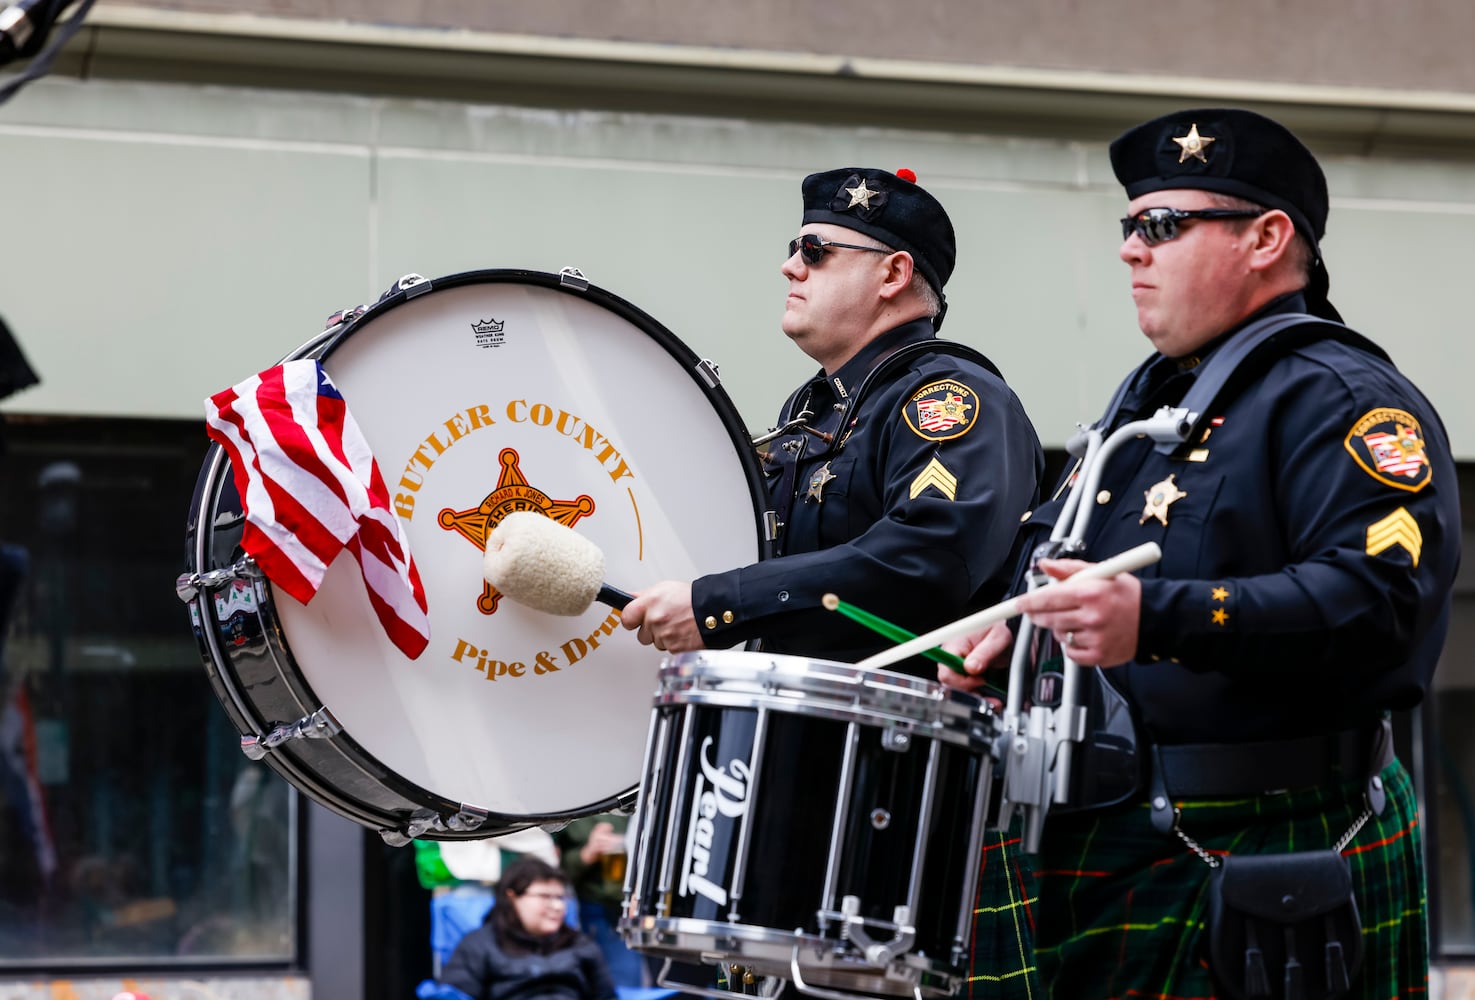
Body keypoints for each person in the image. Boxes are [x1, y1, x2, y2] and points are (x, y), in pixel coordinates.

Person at [941, 107, 1460, 999]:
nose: (1131, 251)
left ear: (1265, 238)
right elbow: (1057, 557)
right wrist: (1015, 637)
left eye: (1164, 226)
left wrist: (1152, 619)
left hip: (1267, 842)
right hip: (1109, 835)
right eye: (1129, 226)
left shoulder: (1342, 399)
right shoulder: (1150, 406)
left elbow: (1378, 600)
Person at [620, 166, 1045, 997]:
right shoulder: (812, 414)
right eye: (792, 249)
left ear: (892, 274)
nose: (791, 266)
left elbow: (927, 555)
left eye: (815, 250)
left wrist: (716, 603)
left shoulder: (948, 398)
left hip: (909, 810)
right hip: (793, 791)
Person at [435, 856, 617, 1000]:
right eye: (545, 896)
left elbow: (606, 996)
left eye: (561, 898)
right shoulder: (480, 945)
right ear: (512, 897)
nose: (558, 906)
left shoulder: (580, 944)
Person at [554, 814, 645, 989]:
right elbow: (554, 868)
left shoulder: (635, 793)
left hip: (645, 903)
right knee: (618, 981)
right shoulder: (567, 806)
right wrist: (587, 854)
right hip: (597, 908)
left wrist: (629, 842)